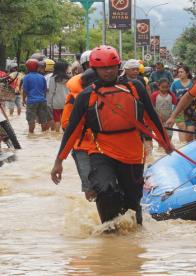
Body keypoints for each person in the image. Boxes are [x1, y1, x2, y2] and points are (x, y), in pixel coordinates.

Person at [51, 45, 172, 225]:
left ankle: (134, 238)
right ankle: (108, 232)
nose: (108, 71)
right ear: (94, 69)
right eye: (103, 68)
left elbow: (152, 117)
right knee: (105, 189)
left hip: (132, 152)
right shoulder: (86, 96)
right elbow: (72, 130)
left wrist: (167, 144)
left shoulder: (135, 88)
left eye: (111, 67)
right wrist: (59, 161)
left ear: (118, 67)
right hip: (101, 151)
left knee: (133, 200)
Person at [61, 50, 97, 201]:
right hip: (82, 145)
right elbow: (66, 125)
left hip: (107, 145)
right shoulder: (75, 96)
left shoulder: (115, 89)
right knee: (90, 187)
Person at [22, 58, 51, 133]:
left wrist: (23, 100)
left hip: (31, 101)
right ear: (37, 67)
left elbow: (25, 90)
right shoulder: (42, 77)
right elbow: (44, 90)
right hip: (42, 101)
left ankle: (31, 136)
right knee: (43, 120)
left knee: (31, 120)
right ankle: (44, 136)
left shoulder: (26, 77)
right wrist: (43, 98)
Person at [170, 65, 194, 142]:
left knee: (191, 130)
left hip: (191, 110)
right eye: (178, 72)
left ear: (187, 73)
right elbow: (171, 97)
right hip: (179, 110)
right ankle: (183, 146)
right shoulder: (175, 84)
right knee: (181, 128)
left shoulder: (193, 83)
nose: (179, 74)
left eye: (181, 72)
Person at [46, 61, 70, 132]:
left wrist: (49, 103)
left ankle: (57, 134)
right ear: (64, 69)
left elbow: (51, 92)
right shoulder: (69, 78)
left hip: (56, 102)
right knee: (65, 119)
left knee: (57, 119)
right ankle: (64, 134)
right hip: (66, 101)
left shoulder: (53, 78)